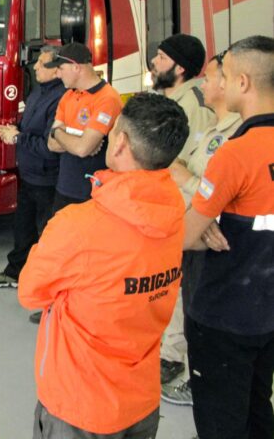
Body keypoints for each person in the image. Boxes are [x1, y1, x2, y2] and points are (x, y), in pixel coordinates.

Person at [19, 92, 189, 439]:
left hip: (80, 405)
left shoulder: (77, 225)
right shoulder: (173, 214)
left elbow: (30, 293)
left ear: (121, 142)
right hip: (141, 397)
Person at [181, 35, 274, 439]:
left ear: (243, 83)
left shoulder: (235, 154)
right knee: (258, 409)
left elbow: (185, 236)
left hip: (222, 316)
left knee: (222, 421)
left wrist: (204, 229)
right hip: (267, 312)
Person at [160, 51, 243, 405]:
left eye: (208, 79)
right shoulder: (209, 127)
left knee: (202, 310)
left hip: (209, 235)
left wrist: (187, 179)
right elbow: (182, 162)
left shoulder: (236, 134)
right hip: (187, 229)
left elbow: (223, 191)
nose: (203, 84)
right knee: (182, 301)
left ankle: (203, 381)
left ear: (229, 84)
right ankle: (178, 361)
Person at [0, 46, 66, 288]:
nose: (35, 67)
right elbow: (28, 126)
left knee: (47, 234)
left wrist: (18, 137)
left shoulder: (61, 99)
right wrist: (12, 131)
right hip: (28, 175)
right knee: (22, 229)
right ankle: (15, 272)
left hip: (47, 178)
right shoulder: (37, 92)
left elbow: (50, 144)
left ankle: (46, 283)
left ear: (57, 71)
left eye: (42, 64)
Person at [47, 42, 123, 212]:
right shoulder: (68, 95)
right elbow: (51, 144)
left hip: (92, 192)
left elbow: (82, 148)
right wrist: (66, 135)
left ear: (76, 67)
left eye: (60, 68)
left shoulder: (107, 98)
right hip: (64, 187)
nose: (57, 74)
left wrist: (58, 132)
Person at [150, 33, 216, 165]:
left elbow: (189, 164)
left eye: (162, 57)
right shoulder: (165, 102)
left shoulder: (196, 109)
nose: (153, 60)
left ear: (180, 68)